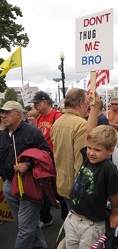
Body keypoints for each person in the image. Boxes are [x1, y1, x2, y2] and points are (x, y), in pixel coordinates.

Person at [64, 92, 118, 248]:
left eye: (97, 150)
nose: (91, 152)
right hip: (73, 218)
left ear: (110, 151)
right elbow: (89, 131)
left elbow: (113, 194)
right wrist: (94, 106)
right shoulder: (86, 158)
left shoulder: (109, 169)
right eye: (89, 148)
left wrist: (115, 214)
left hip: (92, 224)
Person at [0, 101, 51, 249]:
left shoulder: (32, 132)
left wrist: (28, 164)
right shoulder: (2, 135)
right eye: (2, 113)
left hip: (29, 184)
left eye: (7, 113)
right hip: (9, 185)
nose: (3, 116)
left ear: (18, 114)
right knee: (27, 225)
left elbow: (47, 154)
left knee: (25, 229)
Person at [50, 88, 90, 211]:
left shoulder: (57, 122)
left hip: (63, 184)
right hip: (77, 189)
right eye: (88, 102)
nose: (88, 106)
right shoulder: (81, 124)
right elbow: (81, 162)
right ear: (81, 102)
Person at [29, 91, 62, 228]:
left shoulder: (57, 116)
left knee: (58, 189)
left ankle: (66, 218)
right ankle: (46, 217)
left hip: (54, 159)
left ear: (44, 102)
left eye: (36, 103)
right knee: (43, 189)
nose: (34, 106)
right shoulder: (40, 118)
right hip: (43, 160)